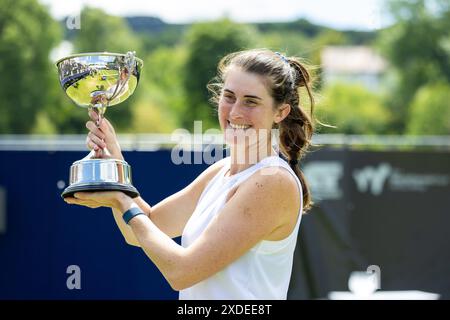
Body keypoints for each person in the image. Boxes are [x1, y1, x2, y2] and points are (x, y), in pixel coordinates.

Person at [64, 48, 315, 300]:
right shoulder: (221, 170)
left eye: (251, 101)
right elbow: (142, 228)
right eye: (229, 97)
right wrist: (115, 163)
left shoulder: (273, 181)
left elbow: (181, 272)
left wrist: (122, 201)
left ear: (280, 112)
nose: (235, 111)